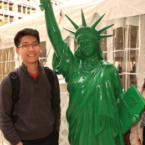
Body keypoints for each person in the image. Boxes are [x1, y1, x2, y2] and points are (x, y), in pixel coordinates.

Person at [39, 0, 129, 144]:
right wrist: (48, 8)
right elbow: (55, 38)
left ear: (97, 44)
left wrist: (131, 112)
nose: (86, 45)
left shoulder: (109, 70)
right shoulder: (73, 67)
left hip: (105, 128)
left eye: (90, 42)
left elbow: (119, 97)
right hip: (80, 125)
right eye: (82, 42)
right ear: (78, 45)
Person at [0, 28, 61, 145]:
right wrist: (17, 142)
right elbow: (4, 118)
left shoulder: (50, 75)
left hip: (50, 138)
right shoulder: (10, 81)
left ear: (40, 47)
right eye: (25, 45)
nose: (31, 49)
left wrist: (56, 131)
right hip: (24, 141)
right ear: (17, 50)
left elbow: (56, 107)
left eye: (34, 44)